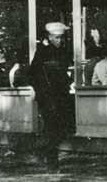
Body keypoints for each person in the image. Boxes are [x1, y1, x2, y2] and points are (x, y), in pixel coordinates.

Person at [29, 22, 73, 172]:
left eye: (61, 38)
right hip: (47, 98)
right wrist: (42, 93)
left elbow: (63, 74)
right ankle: (52, 165)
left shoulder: (63, 53)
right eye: (56, 37)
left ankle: (41, 152)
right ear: (49, 37)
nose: (60, 40)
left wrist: (69, 82)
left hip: (62, 97)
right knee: (52, 130)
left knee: (63, 130)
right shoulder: (42, 53)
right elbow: (32, 75)